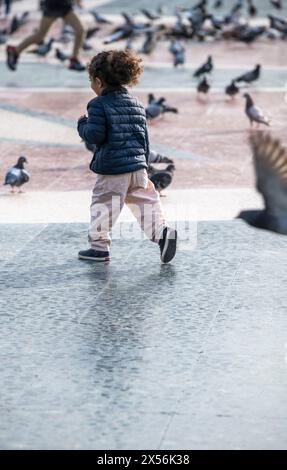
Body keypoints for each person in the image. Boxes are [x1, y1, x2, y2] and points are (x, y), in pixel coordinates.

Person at [77, 49, 177, 263]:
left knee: (104, 205)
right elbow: (144, 139)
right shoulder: (137, 105)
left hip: (113, 169)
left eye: (91, 80)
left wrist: (82, 124)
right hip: (138, 167)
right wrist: (144, 164)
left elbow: (95, 135)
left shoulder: (97, 104)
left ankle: (99, 248)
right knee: (146, 203)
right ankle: (162, 234)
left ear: (98, 81)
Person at [6, 0, 85, 71]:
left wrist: (79, 2)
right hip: (52, 6)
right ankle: (15, 51)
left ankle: (74, 60)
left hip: (65, 7)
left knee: (81, 30)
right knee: (40, 35)